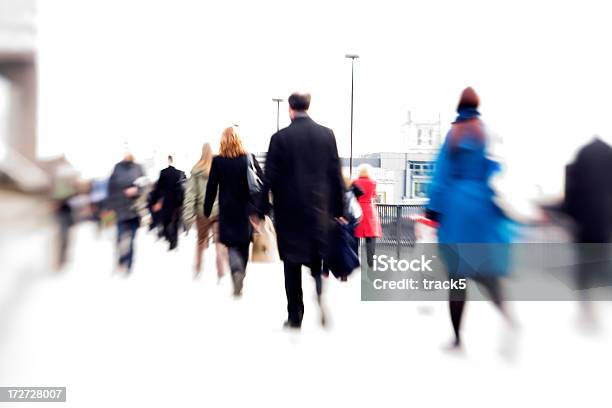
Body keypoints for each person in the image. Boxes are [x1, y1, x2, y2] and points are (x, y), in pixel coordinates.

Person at [426, 87, 515, 350]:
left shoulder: (454, 135)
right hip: (481, 209)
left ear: (459, 106)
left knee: (456, 277)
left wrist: (433, 209)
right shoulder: (485, 133)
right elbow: (495, 169)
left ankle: (457, 338)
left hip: (456, 211)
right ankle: (509, 319)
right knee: (486, 272)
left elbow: (440, 176)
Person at [259, 92, 345, 329]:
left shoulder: (279, 138)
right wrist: (339, 208)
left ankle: (295, 315)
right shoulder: (327, 135)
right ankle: (318, 288)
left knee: (291, 263)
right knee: (316, 255)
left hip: (289, 211)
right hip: (319, 208)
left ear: (290, 108)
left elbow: (269, 178)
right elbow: (335, 174)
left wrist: (261, 208)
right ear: (308, 106)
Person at [204, 127, 263, 296]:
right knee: (243, 244)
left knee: (230, 245)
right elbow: (261, 182)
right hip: (246, 210)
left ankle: (235, 270)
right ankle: (240, 273)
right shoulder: (247, 158)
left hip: (227, 209)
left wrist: (207, 210)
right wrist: (260, 210)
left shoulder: (218, 161)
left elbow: (211, 187)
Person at [564, 137, 612, 325]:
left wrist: (571, 215)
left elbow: (571, 190)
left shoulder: (579, 161)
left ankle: (587, 308)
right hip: (604, 220)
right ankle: (594, 307)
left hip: (584, 221)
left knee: (584, 266)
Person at [183, 143, 227, 278]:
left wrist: (188, 215)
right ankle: (221, 270)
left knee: (201, 241)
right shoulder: (219, 169)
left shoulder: (196, 171)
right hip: (218, 211)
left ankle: (197, 269)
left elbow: (190, 195)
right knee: (219, 241)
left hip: (202, 213)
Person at [107, 153, 145, 273]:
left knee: (132, 239)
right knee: (120, 238)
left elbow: (145, 185)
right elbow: (110, 188)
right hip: (120, 209)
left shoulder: (138, 168)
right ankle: (121, 259)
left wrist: (137, 190)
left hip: (134, 210)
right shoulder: (117, 168)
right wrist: (110, 208)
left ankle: (128, 265)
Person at [151, 155, 186, 250]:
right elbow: (185, 188)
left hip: (167, 201)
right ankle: (174, 241)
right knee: (176, 221)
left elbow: (158, 189)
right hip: (178, 201)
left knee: (166, 221)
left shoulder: (163, 173)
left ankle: (169, 238)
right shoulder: (181, 173)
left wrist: (154, 201)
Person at [352, 164, 382, 270]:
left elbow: (352, 196)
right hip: (370, 212)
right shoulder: (373, 183)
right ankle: (371, 263)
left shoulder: (355, 182)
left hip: (358, 210)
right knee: (370, 239)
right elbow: (374, 196)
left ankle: (355, 262)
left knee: (355, 238)